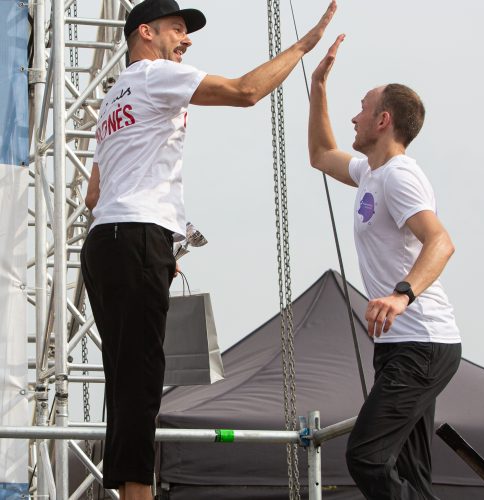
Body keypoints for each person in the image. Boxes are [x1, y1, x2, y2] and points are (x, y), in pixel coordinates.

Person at [81, 0, 338, 498]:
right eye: (178, 28)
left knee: (126, 379)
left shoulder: (114, 97)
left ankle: (130, 489)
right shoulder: (154, 75)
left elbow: (94, 193)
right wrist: (302, 47)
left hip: (106, 241)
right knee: (140, 379)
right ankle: (138, 493)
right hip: (134, 236)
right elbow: (246, 92)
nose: (187, 38)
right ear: (146, 34)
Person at [308, 35, 462, 499]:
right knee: (409, 475)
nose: (354, 117)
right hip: (401, 345)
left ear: (383, 120)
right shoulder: (369, 172)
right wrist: (318, 87)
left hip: (423, 341)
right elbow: (320, 155)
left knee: (366, 457)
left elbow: (442, 242)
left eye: (361, 108)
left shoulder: (399, 174)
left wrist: (401, 294)